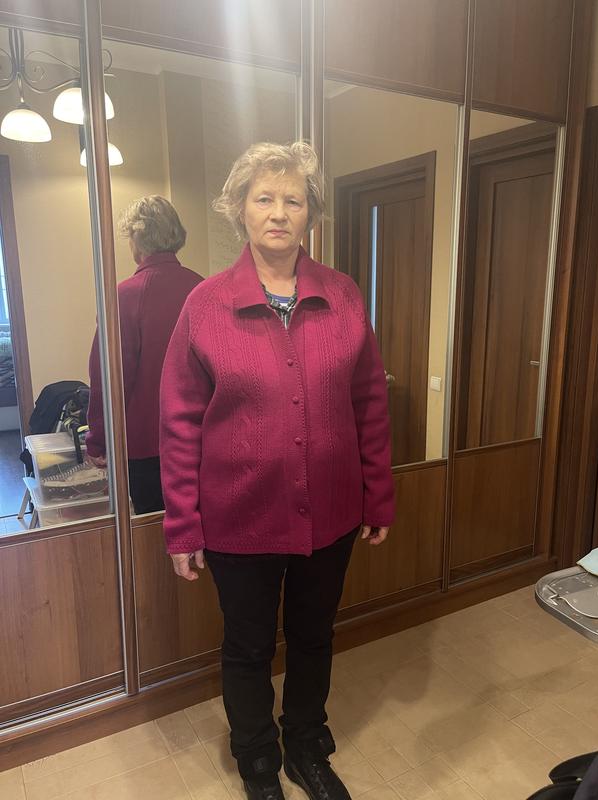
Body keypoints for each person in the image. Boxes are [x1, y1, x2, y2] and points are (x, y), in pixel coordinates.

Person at [160, 142, 394, 800]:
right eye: (264, 197)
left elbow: (369, 402)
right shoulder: (205, 304)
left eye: (293, 200)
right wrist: (183, 526)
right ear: (240, 207)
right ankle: (258, 762)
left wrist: (378, 496)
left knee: (315, 637)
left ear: (310, 213)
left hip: (333, 513)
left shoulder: (343, 296)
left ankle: (306, 748)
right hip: (239, 519)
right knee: (248, 647)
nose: (278, 212)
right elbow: (178, 421)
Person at [86, 195, 202, 514]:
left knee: (152, 529)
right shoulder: (204, 289)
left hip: (146, 444)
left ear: (137, 240)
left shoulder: (123, 297)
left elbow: (109, 377)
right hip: (201, 439)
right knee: (200, 522)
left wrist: (98, 439)